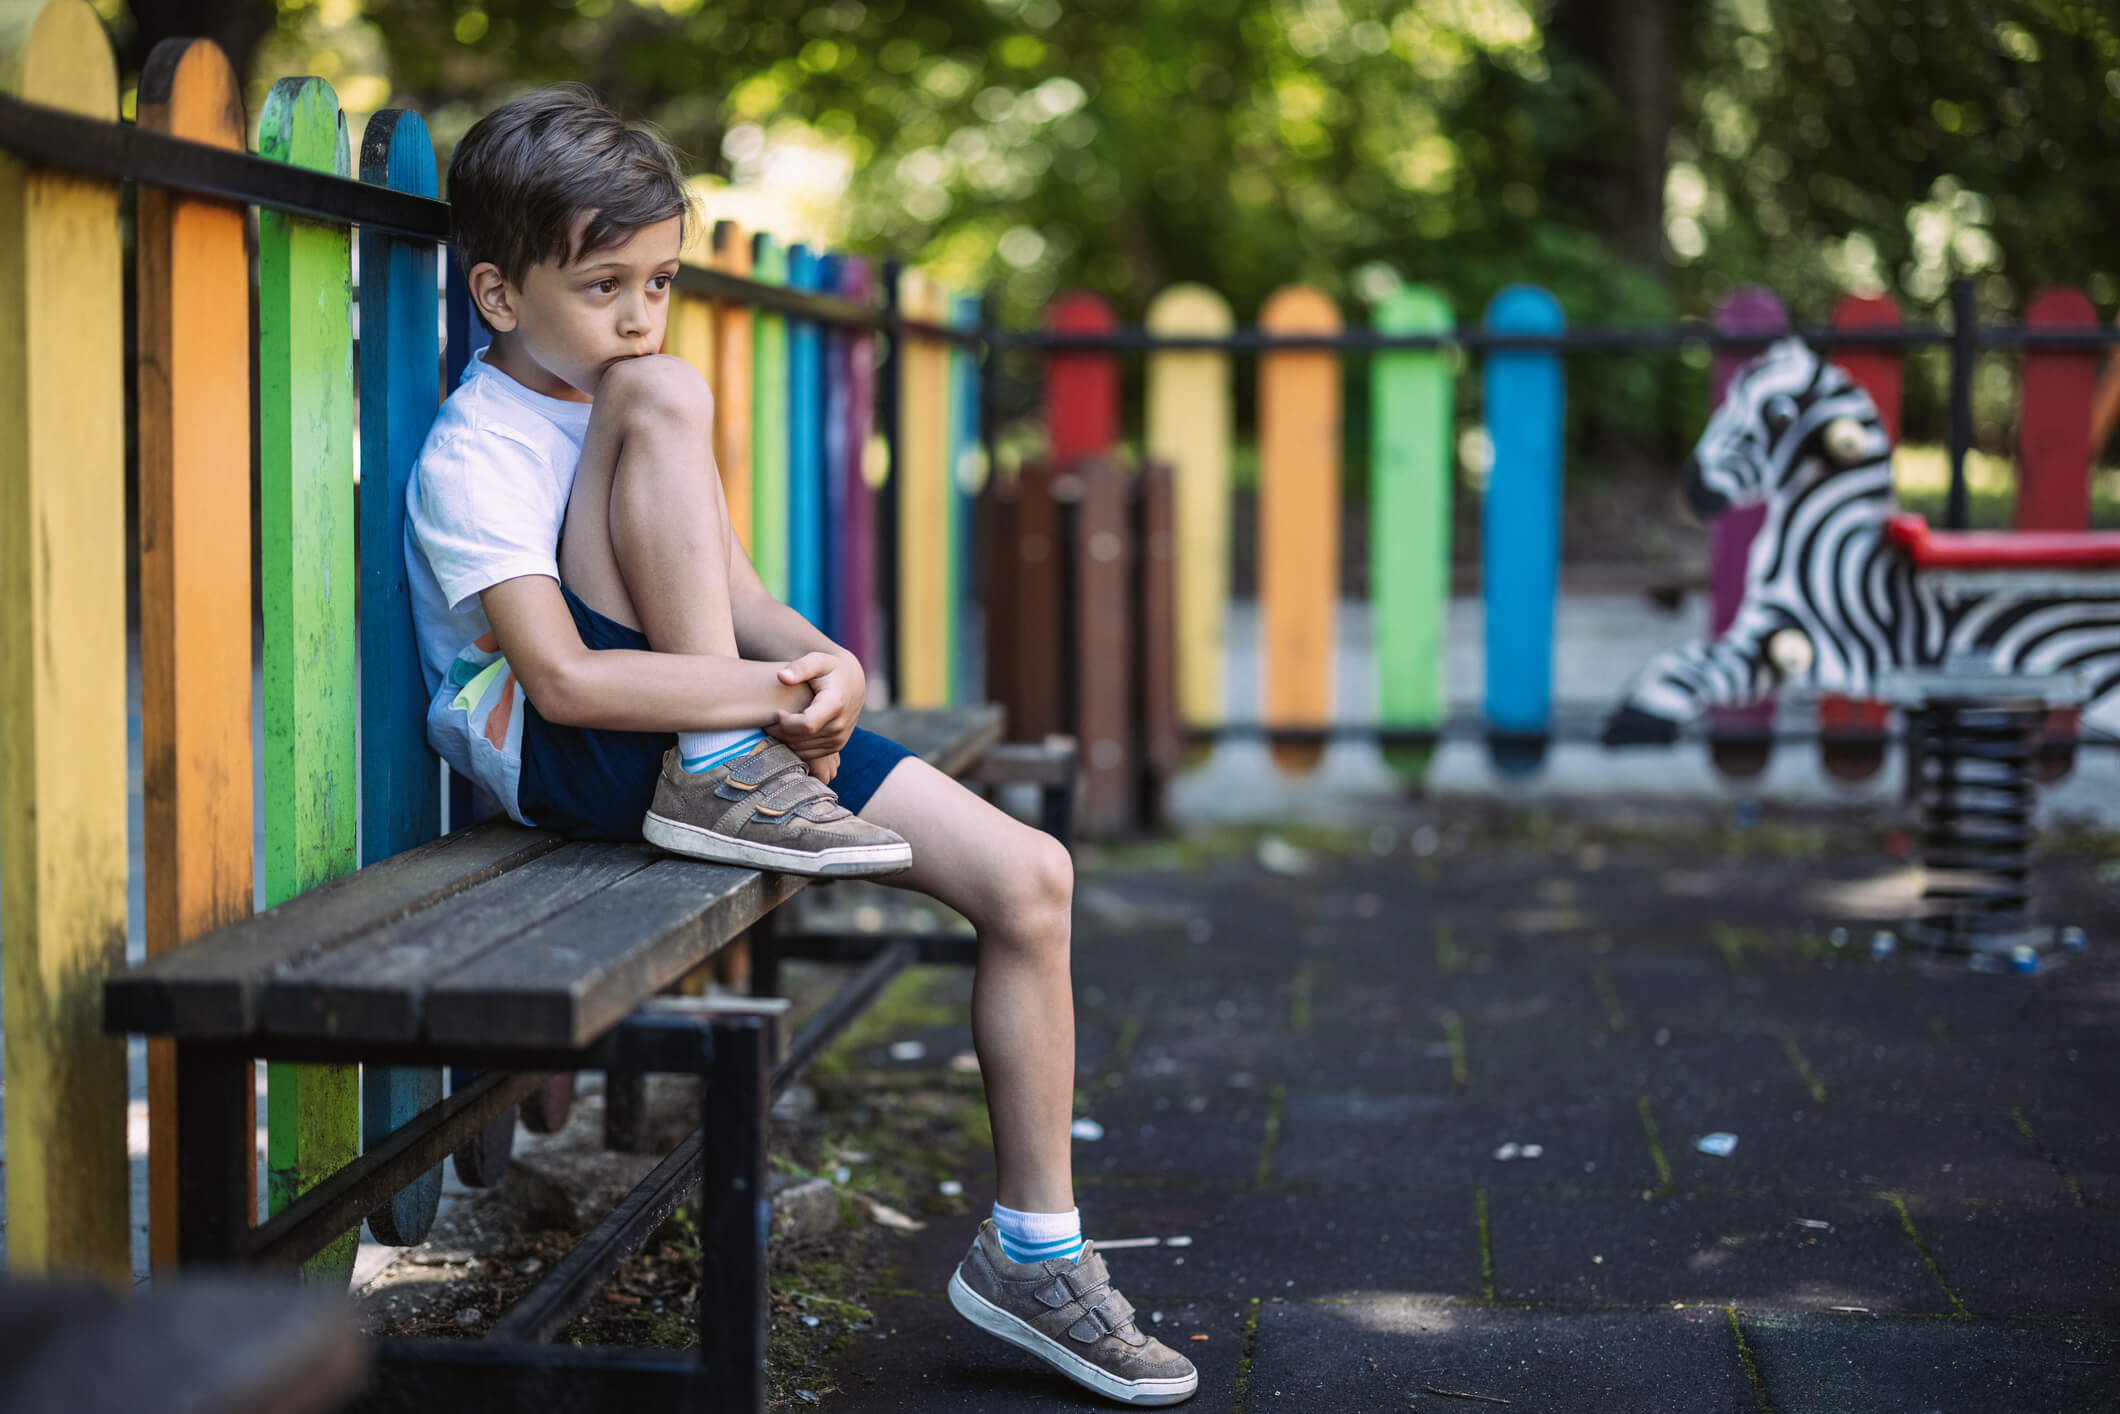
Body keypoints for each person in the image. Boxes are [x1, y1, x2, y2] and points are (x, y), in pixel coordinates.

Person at [404, 86, 1197, 1407]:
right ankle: (724, 770)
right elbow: (566, 677)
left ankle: (1033, 1255)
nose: (640, 318)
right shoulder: (480, 447)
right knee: (663, 401)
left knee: (1032, 875)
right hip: (588, 756)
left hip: (720, 737)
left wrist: (820, 658)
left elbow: (735, 592)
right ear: (498, 295)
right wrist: (750, 701)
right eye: (605, 286)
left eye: (659, 281)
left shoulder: (622, 401)